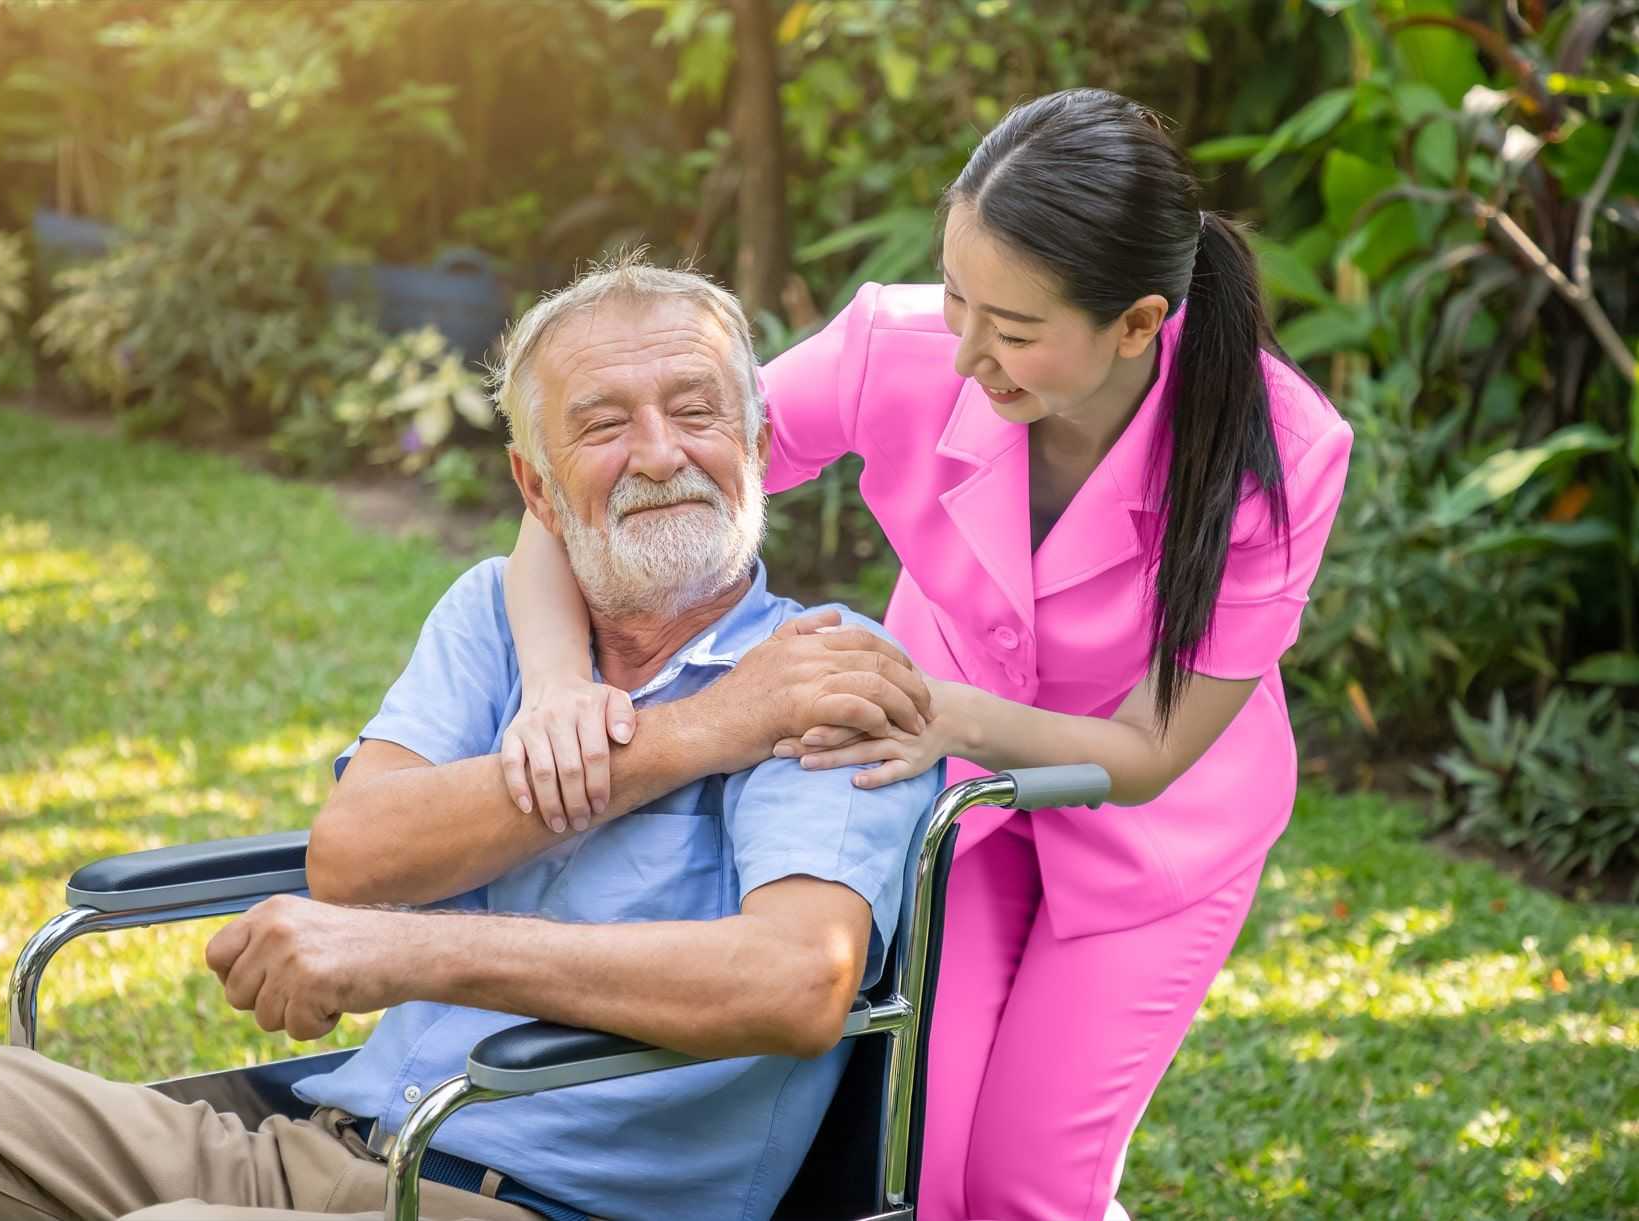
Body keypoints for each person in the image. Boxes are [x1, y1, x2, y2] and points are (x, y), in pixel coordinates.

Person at [0, 259, 942, 1221]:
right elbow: (358, 856)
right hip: (312, 1151)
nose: (658, 453)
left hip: (523, 1202)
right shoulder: (493, 615)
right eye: (603, 424)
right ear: (534, 489)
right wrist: (697, 732)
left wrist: (408, 954)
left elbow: (797, 979)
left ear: (751, 438)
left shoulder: (819, 670)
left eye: (696, 411)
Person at [499, 89, 1354, 1221]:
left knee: (1026, 1187)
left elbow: (1150, 754)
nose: (963, 354)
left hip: (1153, 835)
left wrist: (937, 712)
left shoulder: (1280, 451)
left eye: (1010, 330)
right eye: (955, 296)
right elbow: (610, 483)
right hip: (956, 809)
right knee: (913, 1170)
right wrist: (557, 686)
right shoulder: (892, 351)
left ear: (1138, 325)